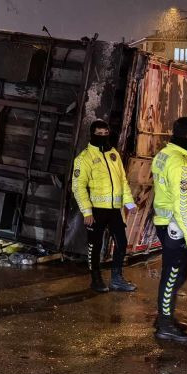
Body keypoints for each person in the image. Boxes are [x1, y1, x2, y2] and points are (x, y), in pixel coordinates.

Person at [151, 116, 187, 343]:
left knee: (177, 275)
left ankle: (165, 317)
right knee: (173, 276)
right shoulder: (180, 164)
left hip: (168, 225)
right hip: (176, 228)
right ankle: (164, 324)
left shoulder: (165, 155)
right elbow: (183, 205)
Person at [71, 119, 138, 293]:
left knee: (121, 243)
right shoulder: (84, 158)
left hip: (115, 210)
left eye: (105, 133)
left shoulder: (113, 154)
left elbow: (122, 180)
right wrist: (87, 212)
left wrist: (129, 203)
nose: (102, 136)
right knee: (95, 246)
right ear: (92, 134)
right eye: (99, 134)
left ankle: (117, 279)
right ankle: (96, 280)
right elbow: (78, 187)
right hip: (96, 210)